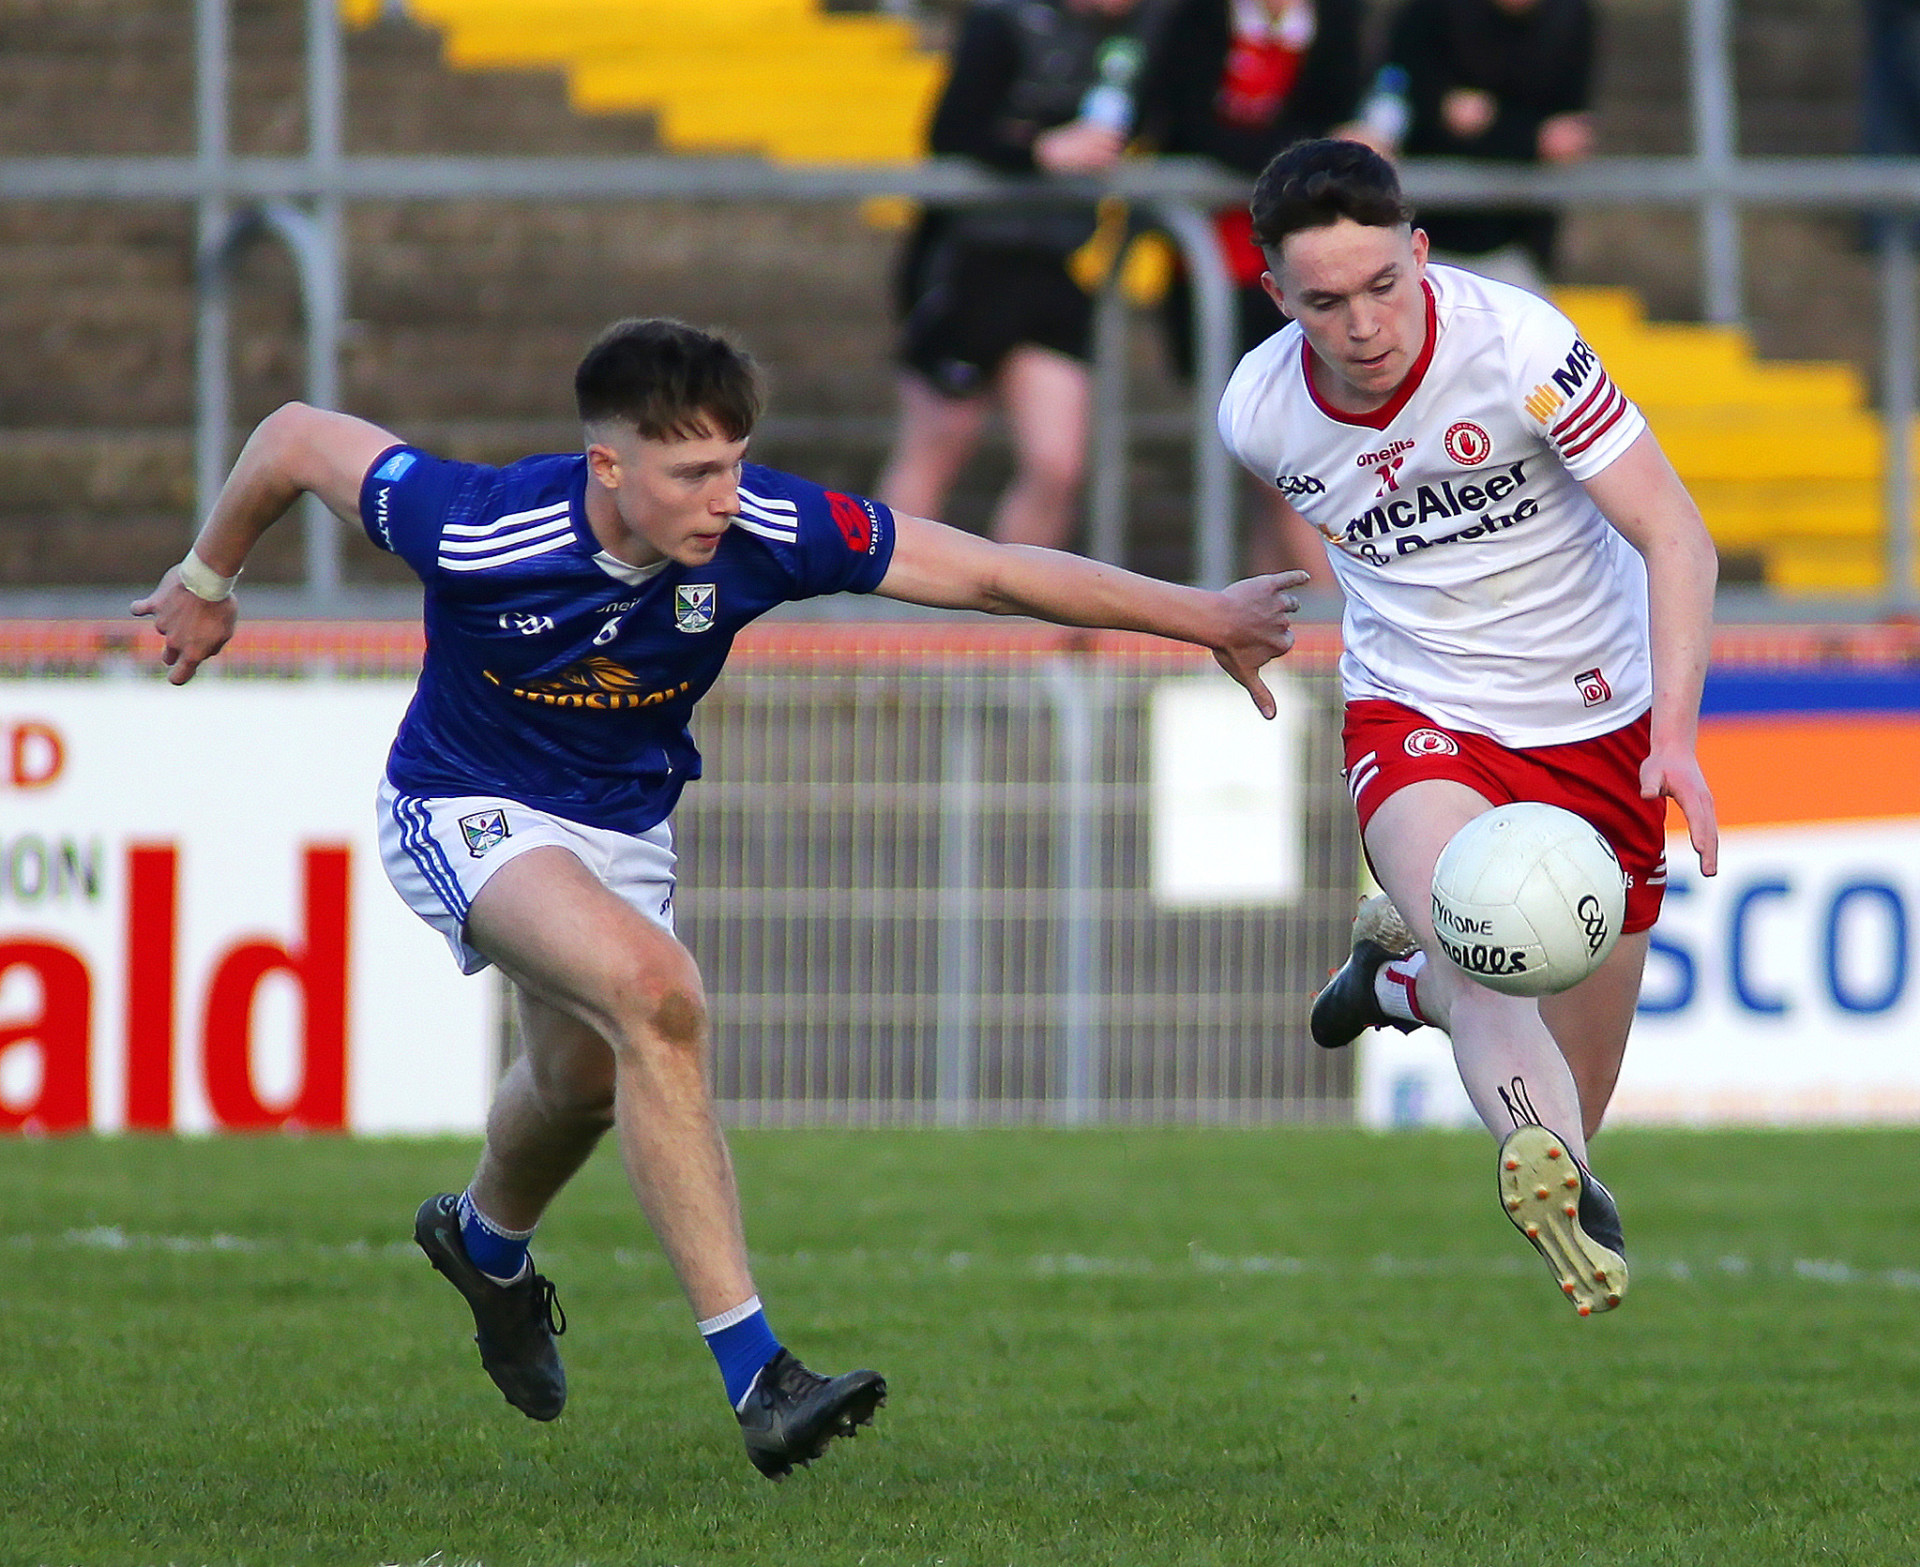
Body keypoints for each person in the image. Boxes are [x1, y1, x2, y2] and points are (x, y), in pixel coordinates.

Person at [132, 317, 1306, 1475]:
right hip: (465, 807)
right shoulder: (476, 521)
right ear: (609, 465)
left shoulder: (765, 525)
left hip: (624, 829)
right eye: (693, 472)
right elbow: (291, 436)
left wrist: (1201, 615)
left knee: (583, 1078)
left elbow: (991, 572)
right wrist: (205, 577)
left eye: (734, 464)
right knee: (659, 995)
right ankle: (760, 1374)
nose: (723, 497)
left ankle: (485, 1245)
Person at [1216, 140, 1718, 1314]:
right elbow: (1349, 519)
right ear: (1278, 298)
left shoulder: (1521, 349)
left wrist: (1679, 736)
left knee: (1569, 1094)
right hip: (1422, 712)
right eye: (1327, 301)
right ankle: (1462, 1001)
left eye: (1385, 284)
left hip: (1603, 719)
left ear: (1421, 253)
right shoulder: (1260, 411)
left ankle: (1401, 982)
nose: (1364, 324)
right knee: (1495, 978)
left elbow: (1675, 533)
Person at [874, 0, 1163, 552]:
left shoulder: (1138, 35)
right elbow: (950, 132)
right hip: (971, 261)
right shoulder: (1004, 22)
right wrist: (1040, 150)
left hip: (1053, 267)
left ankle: (1018, 622)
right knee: (939, 445)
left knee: (1058, 465)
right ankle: (883, 615)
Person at [1139, 0, 1369, 581]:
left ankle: (1294, 638)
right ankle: (1340, 630)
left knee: (1288, 476)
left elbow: (1354, 114)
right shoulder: (1194, 24)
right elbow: (1190, 128)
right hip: (1217, 276)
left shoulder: (1336, 27)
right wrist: (1316, 152)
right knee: (1281, 472)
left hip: (1311, 276)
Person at [1356, 0, 1596, 295]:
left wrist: (1497, 128)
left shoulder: (1569, 18)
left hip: (1516, 237)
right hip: (1424, 231)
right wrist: (1528, 138)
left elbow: (1566, 134)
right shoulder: (1430, 14)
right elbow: (1413, 102)